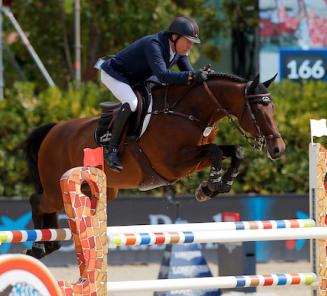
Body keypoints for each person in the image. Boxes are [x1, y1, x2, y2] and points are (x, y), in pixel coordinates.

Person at [96, 16, 208, 172]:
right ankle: (112, 149)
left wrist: (203, 77)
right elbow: (163, 75)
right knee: (132, 102)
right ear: (174, 37)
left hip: (137, 78)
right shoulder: (153, 45)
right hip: (115, 74)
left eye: (192, 43)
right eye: (188, 41)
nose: (190, 46)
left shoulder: (179, 50)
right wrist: (191, 76)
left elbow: (188, 73)